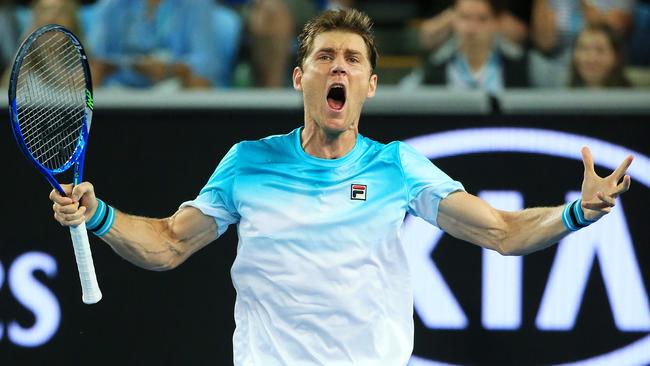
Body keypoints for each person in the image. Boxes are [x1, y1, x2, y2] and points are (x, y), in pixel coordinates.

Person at [50, 9, 633, 365]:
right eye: (325, 56)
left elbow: (502, 233)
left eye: (352, 60)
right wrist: (101, 216)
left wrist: (575, 213)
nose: (339, 67)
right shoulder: (248, 163)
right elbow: (169, 244)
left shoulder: (398, 168)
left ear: (370, 84)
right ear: (300, 76)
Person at [402, 0, 529, 93]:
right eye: (465, 17)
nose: (472, 28)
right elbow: (402, 95)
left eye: (482, 19)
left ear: (496, 23)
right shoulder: (435, 65)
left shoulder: (522, 65)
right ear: (453, 20)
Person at [88, 0, 219, 89]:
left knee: (199, 80)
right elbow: (94, 57)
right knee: (90, 73)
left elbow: (205, 62)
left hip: (175, 87)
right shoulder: (112, 5)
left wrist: (172, 69)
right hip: (118, 88)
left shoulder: (195, 4)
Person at [530, 0, 635, 87]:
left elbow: (611, 34)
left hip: (609, 65)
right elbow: (545, 43)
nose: (591, 58)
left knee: (596, 52)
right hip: (561, 63)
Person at [569, 22, 632, 88]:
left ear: (616, 57)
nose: (591, 59)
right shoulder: (561, 90)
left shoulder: (633, 96)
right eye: (584, 49)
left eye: (600, 50)